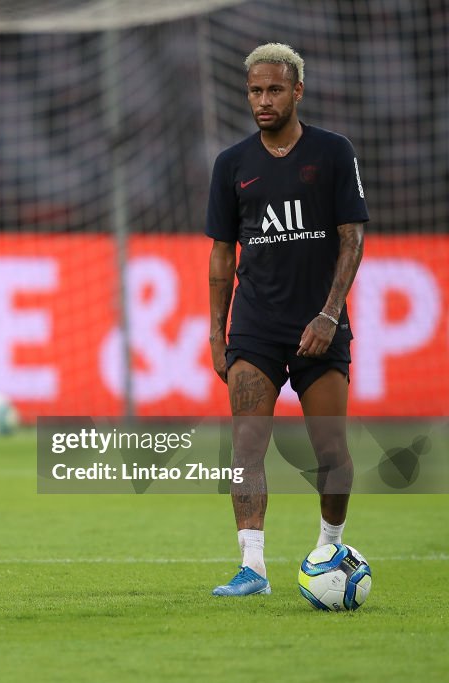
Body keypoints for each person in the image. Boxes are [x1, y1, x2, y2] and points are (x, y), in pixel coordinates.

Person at [205, 43, 368, 596]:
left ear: (297, 90)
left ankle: (330, 548)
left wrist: (329, 314)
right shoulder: (232, 164)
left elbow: (352, 239)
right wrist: (215, 331)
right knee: (246, 445)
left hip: (319, 325)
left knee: (331, 453)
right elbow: (223, 255)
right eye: (255, 90)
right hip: (255, 326)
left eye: (274, 89)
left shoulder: (332, 153)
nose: (263, 100)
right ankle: (253, 568)